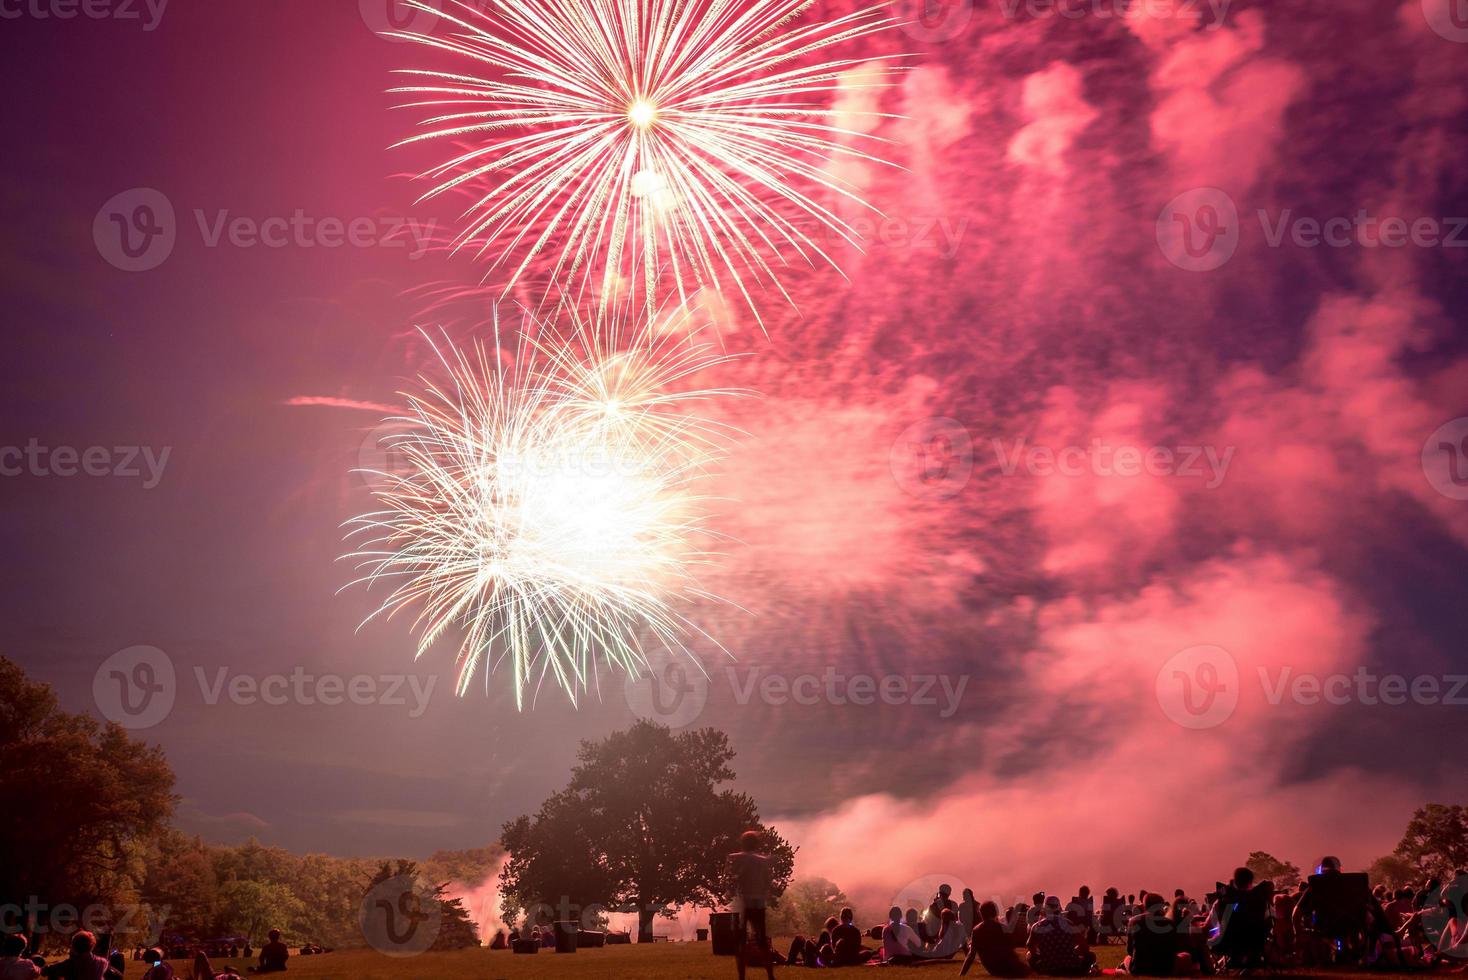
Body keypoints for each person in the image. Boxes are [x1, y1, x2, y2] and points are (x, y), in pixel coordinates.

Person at [726, 830, 774, 980]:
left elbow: (730, 874)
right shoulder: (762, 861)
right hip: (759, 903)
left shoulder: (736, 858)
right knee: (762, 941)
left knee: (740, 942)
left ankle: (742, 977)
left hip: (744, 903)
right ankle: (770, 976)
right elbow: (767, 882)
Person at [1122, 893, 1194, 977]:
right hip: (1166, 968)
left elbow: (1130, 951)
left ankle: (1121, 971)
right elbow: (1175, 948)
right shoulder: (1170, 923)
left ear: (1145, 905)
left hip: (1140, 968)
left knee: (1127, 958)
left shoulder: (1134, 921)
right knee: (1186, 956)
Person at [1029, 896, 1095, 976]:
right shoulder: (1068, 923)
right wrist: (1074, 951)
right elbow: (1084, 946)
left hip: (1047, 967)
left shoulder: (1036, 926)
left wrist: (1042, 954)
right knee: (1091, 955)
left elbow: (1030, 946)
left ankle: (1041, 971)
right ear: (1059, 908)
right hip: (1071, 966)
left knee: (1029, 955)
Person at [963, 900, 1030, 977]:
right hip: (1007, 966)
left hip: (992, 969)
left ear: (981, 913)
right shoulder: (1003, 928)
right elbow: (1011, 950)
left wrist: (962, 973)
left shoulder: (976, 930)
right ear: (995, 913)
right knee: (1030, 971)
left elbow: (971, 955)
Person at [41, 932, 108, 980]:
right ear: (92, 946)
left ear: (73, 946)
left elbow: (44, 971)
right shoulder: (103, 962)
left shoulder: (69, 964)